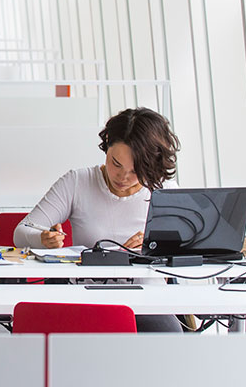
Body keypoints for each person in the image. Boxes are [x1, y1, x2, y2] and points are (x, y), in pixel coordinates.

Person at [13, 107, 184, 332]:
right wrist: (43, 239)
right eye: (116, 164)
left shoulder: (165, 191)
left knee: (168, 337)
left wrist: (157, 245)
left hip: (147, 300)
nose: (123, 177)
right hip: (84, 296)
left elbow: (187, 253)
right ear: (106, 148)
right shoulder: (78, 182)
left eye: (135, 171)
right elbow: (21, 232)